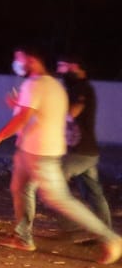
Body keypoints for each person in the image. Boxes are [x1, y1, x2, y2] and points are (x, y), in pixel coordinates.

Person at [0, 47, 122, 262]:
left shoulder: (34, 84)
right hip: (34, 149)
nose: (17, 63)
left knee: (58, 198)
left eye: (19, 58)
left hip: (39, 152)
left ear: (32, 60)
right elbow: (36, 115)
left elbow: (23, 118)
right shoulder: (55, 85)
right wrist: (18, 107)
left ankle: (110, 238)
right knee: (20, 189)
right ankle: (23, 238)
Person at [57, 56, 111, 232]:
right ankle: (105, 232)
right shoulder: (77, 87)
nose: (63, 70)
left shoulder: (82, 88)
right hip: (86, 151)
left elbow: (73, 111)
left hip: (80, 151)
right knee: (94, 194)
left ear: (81, 69)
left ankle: (71, 228)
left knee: (56, 184)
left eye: (67, 66)